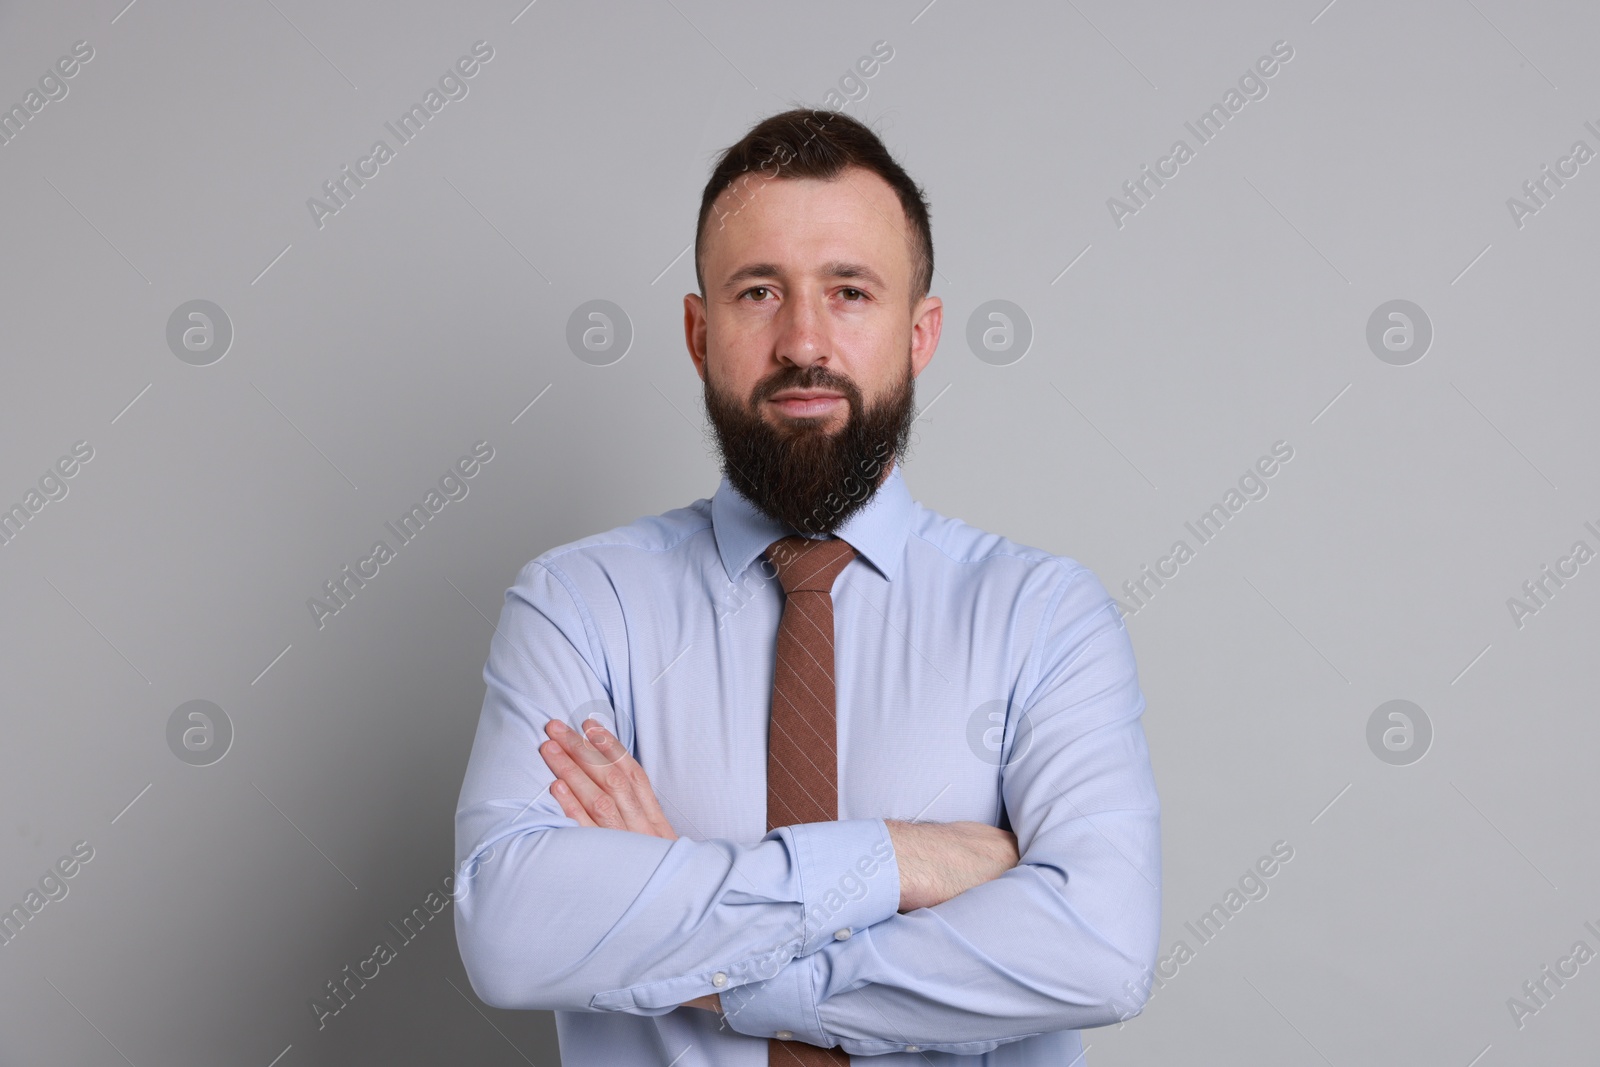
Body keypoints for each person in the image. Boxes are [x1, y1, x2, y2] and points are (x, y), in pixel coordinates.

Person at [454, 108, 1161, 1065]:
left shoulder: (1043, 617)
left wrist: (699, 936)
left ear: (921, 334)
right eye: (758, 292)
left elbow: (1099, 951)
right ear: (700, 334)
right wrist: (901, 860)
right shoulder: (580, 606)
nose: (803, 341)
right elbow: (511, 932)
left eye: (850, 292)